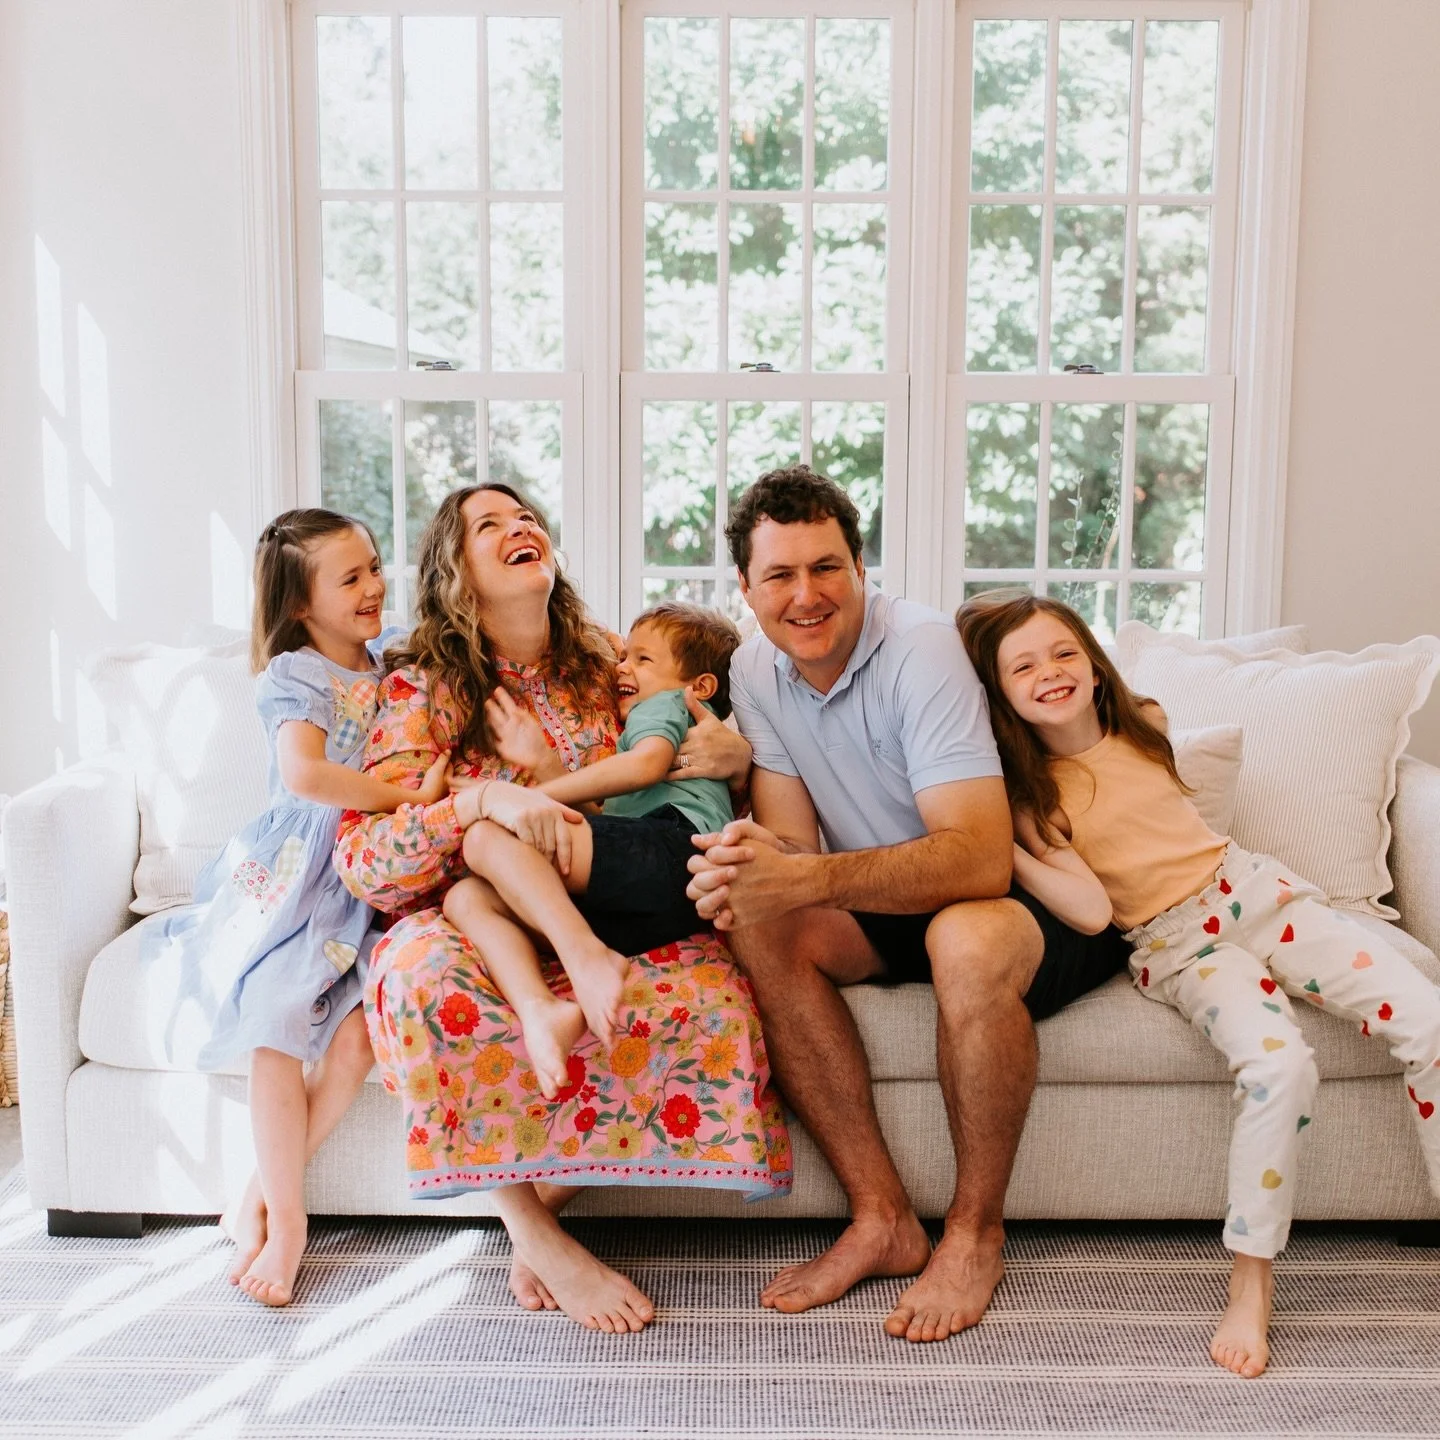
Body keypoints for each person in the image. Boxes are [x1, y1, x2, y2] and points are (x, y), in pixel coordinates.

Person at [685, 465, 1127, 1343]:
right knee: (758, 924)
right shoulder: (754, 670)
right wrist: (735, 863)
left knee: (964, 936)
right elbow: (791, 847)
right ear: (745, 588)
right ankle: (882, 1217)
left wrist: (804, 877)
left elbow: (975, 859)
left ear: (861, 569)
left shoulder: (920, 648)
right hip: (892, 890)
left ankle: (974, 1232)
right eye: (779, 575)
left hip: (1030, 898)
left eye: (827, 568)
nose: (806, 595)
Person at [336, 484, 791, 1335]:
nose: (520, 528)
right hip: (474, 916)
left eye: (526, 516)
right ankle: (535, 1229)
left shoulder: (610, 664)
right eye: (489, 525)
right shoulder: (416, 690)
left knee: (713, 993)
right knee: (423, 981)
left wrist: (733, 752)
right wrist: (477, 806)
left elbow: (675, 763)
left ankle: (538, 1197)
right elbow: (370, 864)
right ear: (455, 571)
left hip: (613, 904)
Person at [955, 590, 1440, 1378]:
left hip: (1259, 895)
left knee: (1430, 1021)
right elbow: (1086, 910)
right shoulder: (1032, 795)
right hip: (1180, 946)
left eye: (1063, 652)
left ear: (1092, 660)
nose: (1050, 672)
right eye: (1024, 665)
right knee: (1281, 1065)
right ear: (999, 691)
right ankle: (1252, 1277)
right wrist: (1000, 845)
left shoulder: (1144, 721)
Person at [145, 508, 450, 1306]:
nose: (375, 586)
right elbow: (309, 776)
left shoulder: (394, 660)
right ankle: (289, 1225)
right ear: (297, 607)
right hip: (304, 878)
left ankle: (257, 1190)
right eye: (350, 578)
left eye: (375, 567)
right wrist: (402, 797)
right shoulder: (296, 676)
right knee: (278, 1028)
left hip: (375, 880)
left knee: (355, 1045)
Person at [442, 602, 741, 1099]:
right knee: (468, 898)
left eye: (643, 659)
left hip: (680, 848)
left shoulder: (670, 706)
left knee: (483, 837)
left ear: (700, 686)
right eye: (625, 654)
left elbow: (645, 767)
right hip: (651, 891)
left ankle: (588, 960)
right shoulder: (645, 722)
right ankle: (541, 1007)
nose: (622, 666)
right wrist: (541, 762)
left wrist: (527, 798)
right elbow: (605, 834)